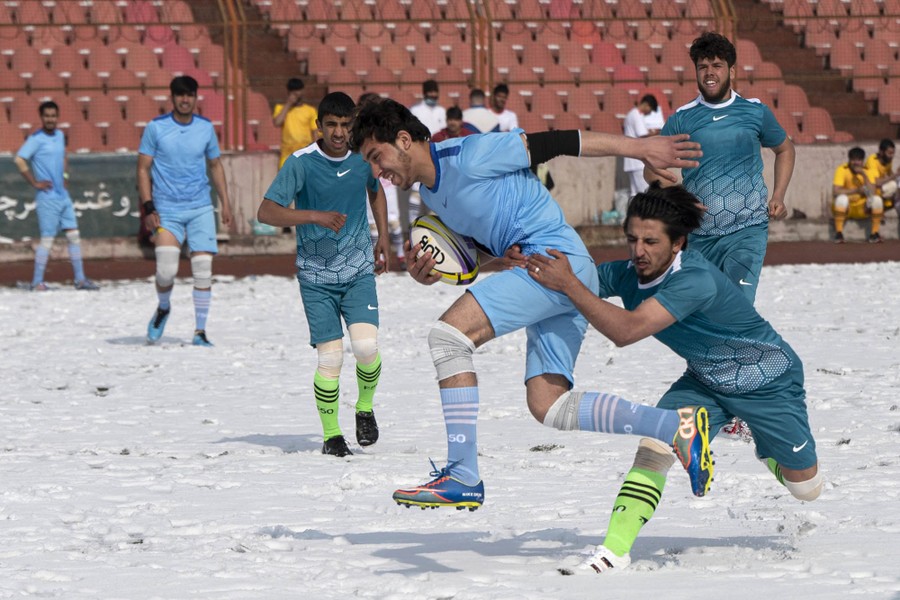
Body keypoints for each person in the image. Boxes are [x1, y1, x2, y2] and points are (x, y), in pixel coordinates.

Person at [348, 98, 706, 511]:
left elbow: (559, 141)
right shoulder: (433, 195)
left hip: (555, 262)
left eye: (378, 157)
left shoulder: (470, 154)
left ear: (404, 140)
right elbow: (487, 255)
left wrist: (640, 148)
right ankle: (674, 425)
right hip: (555, 270)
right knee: (549, 405)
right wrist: (434, 270)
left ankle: (462, 475)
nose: (378, 173)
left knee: (448, 338)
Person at [527, 183, 821, 573]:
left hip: (768, 381)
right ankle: (614, 550)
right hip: (704, 381)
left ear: (678, 242)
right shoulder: (631, 272)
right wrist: (522, 262)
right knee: (655, 446)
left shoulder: (694, 279)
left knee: (806, 489)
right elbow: (580, 280)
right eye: (632, 239)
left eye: (650, 241)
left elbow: (626, 331)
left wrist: (569, 284)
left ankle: (761, 445)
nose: (638, 251)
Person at [258, 92, 390, 457]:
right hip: (316, 278)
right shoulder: (300, 163)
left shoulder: (364, 159)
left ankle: (364, 408)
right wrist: (314, 215)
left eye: (346, 125)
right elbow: (266, 212)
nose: (338, 132)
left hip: (358, 271)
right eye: (331, 125)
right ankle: (332, 436)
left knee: (366, 348)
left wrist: (383, 236)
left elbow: (375, 192)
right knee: (330, 359)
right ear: (318, 126)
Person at [645, 31, 795, 305]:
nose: (709, 73)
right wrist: (680, 197)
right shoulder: (682, 118)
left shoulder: (755, 111)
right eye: (703, 67)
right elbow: (652, 170)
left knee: (737, 304)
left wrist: (778, 196)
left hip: (747, 228)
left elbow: (785, 149)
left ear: (731, 71)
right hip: (700, 235)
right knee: (708, 310)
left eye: (717, 66)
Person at [138, 75, 233, 346]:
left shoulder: (205, 128)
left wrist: (225, 201)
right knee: (166, 270)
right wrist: (148, 207)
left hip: (201, 207)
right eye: (180, 94)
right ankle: (164, 306)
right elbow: (142, 169)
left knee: (203, 268)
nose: (185, 99)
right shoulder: (155, 128)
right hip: (167, 210)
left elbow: (215, 166)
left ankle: (200, 332)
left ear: (195, 97)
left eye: (189, 94)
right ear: (172, 97)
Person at [15, 101, 99, 291]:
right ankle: (37, 282)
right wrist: (35, 183)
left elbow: (64, 156)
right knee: (47, 239)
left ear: (57, 116)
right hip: (47, 197)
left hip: (63, 196)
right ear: (42, 117)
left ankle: (80, 280)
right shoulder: (36, 139)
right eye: (47, 116)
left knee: (74, 236)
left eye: (53, 115)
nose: (50, 119)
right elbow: (19, 159)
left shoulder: (60, 135)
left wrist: (66, 175)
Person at [832, 146, 883, 244]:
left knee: (877, 200)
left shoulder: (868, 171)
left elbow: (872, 192)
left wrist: (863, 174)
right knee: (841, 199)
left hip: (862, 208)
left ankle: (874, 234)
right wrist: (856, 190)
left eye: (858, 160)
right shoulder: (842, 169)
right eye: (853, 160)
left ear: (863, 161)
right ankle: (839, 233)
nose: (856, 163)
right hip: (848, 208)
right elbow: (836, 191)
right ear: (849, 160)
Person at [272, 77, 319, 169]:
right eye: (293, 92)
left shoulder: (310, 111)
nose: (296, 95)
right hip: (287, 155)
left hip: (305, 154)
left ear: (302, 92)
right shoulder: (281, 108)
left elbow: (315, 133)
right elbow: (277, 122)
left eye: (298, 92)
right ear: (288, 93)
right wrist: (288, 104)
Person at [622, 94, 660, 197]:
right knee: (644, 192)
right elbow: (642, 135)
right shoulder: (636, 115)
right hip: (637, 160)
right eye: (650, 109)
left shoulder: (632, 114)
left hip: (631, 158)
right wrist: (657, 133)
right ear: (646, 105)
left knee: (634, 193)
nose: (649, 112)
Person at [864, 138, 897, 215]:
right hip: (869, 189)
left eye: (893, 153)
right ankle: (877, 208)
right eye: (889, 153)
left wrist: (897, 176)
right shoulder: (872, 160)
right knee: (893, 185)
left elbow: (890, 173)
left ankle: (887, 204)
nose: (892, 156)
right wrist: (894, 176)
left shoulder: (888, 160)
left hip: (880, 188)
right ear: (881, 152)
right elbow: (877, 182)